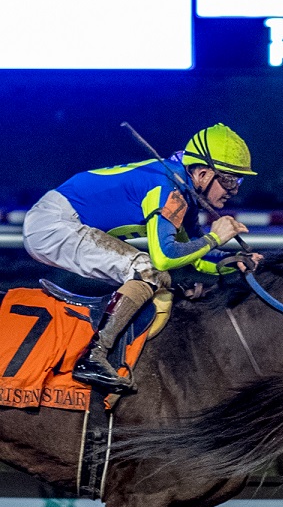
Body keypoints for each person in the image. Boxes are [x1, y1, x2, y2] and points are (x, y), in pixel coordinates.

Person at [22, 123, 262, 393]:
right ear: (204, 174)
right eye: (230, 180)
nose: (235, 190)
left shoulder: (184, 191)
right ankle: (93, 356)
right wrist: (215, 238)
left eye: (239, 181)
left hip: (65, 221)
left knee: (156, 275)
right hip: (52, 224)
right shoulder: (168, 187)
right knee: (147, 269)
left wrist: (234, 263)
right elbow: (164, 257)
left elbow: (194, 257)